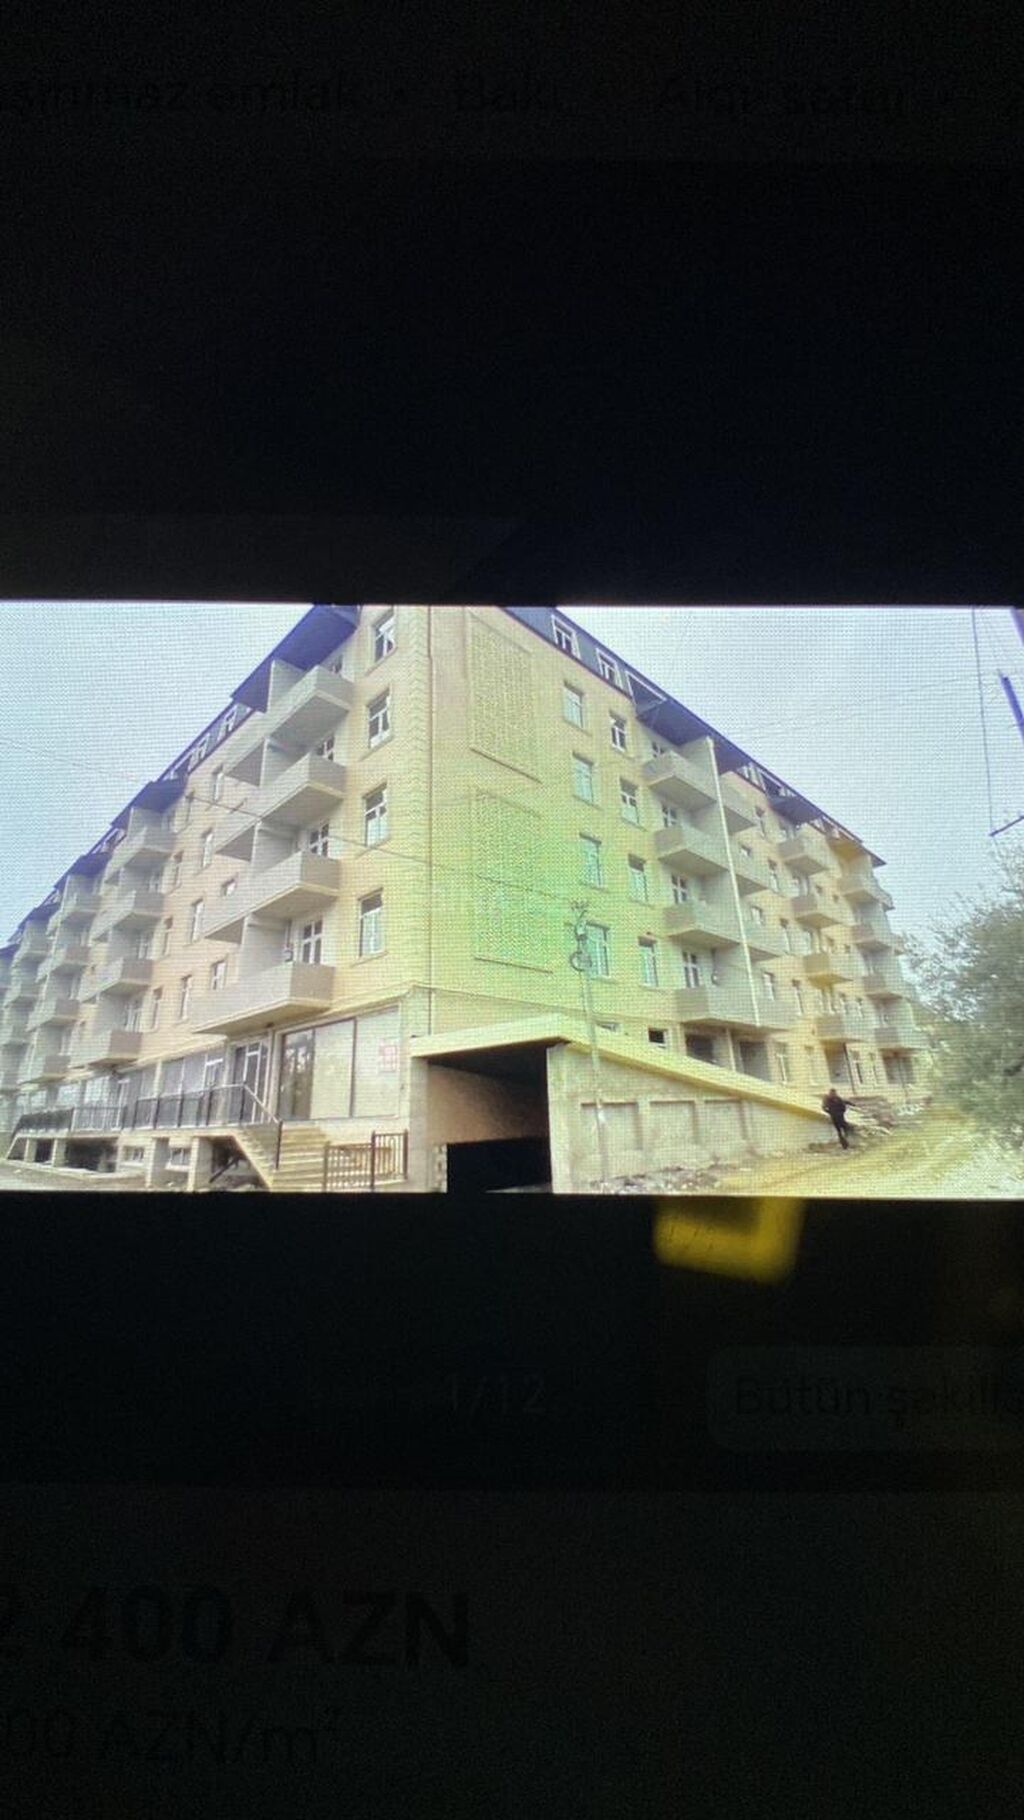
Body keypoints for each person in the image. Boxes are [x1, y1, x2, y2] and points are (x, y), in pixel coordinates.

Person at [821, 1086, 853, 1150]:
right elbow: (824, 1107)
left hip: (839, 1116)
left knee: (843, 1129)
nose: (834, 1094)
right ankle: (844, 1143)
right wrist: (830, 1112)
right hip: (836, 1117)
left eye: (834, 1093)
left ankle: (845, 1142)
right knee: (841, 1129)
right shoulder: (828, 1099)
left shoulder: (837, 1099)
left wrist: (841, 1111)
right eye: (833, 1093)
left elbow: (843, 1104)